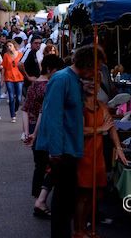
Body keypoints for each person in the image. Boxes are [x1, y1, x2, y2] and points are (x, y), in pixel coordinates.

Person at [35, 45, 101, 238]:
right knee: (62, 203)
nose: (97, 72)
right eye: (96, 67)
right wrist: (55, 151)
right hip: (62, 150)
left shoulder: (73, 79)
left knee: (66, 201)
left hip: (70, 148)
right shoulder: (62, 78)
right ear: (88, 64)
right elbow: (52, 116)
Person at [74, 84, 127, 238]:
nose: (92, 84)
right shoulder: (80, 106)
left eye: (96, 81)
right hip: (83, 156)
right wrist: (99, 129)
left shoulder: (101, 106)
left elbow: (111, 127)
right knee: (83, 195)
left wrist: (119, 148)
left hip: (98, 157)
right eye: (89, 80)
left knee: (97, 194)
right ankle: (79, 230)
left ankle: (87, 226)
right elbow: (79, 130)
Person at [21, 54, 65, 218]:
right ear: (49, 69)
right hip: (44, 128)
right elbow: (43, 112)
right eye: (57, 70)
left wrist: (27, 132)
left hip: (33, 126)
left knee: (39, 165)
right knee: (50, 165)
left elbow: (25, 109)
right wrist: (35, 132)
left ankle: (38, 198)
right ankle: (41, 201)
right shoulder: (51, 86)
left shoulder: (34, 85)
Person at [2, 40, 24, 122]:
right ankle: (13, 115)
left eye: (10, 45)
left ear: (14, 46)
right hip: (9, 78)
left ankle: (15, 109)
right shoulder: (5, 55)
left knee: (18, 98)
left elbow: (23, 66)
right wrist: (2, 79)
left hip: (19, 78)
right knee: (11, 97)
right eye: (7, 46)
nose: (8, 47)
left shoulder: (21, 55)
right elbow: (4, 67)